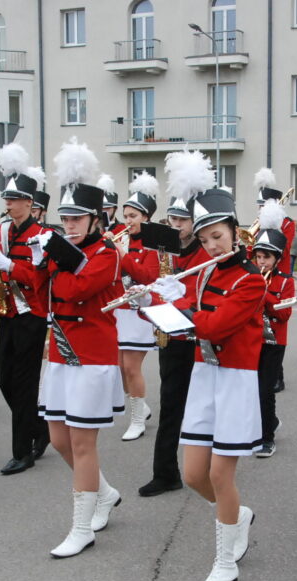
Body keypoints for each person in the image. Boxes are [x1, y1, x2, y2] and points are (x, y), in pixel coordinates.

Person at [151, 187, 264, 581]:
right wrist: (158, 303)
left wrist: (180, 308)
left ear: (234, 230)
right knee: (193, 475)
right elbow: (191, 326)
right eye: (203, 239)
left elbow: (215, 326)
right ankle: (235, 515)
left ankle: (224, 563)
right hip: (205, 375)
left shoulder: (252, 279)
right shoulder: (204, 273)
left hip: (235, 379)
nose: (211, 245)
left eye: (217, 236)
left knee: (220, 474)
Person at [33, 138, 125, 558]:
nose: (69, 225)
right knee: (58, 440)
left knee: (83, 443)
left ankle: (82, 527)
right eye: (65, 218)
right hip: (60, 352)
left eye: (77, 219)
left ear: (95, 219)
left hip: (92, 357)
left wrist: (55, 267)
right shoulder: (59, 251)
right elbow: (43, 301)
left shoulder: (107, 253)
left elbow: (78, 288)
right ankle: (104, 494)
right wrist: (39, 268)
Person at [139, 148, 216, 497]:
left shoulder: (207, 253)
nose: (177, 227)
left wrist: (179, 298)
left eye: (183, 221)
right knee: (170, 405)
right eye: (173, 220)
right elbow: (157, 288)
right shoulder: (168, 251)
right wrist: (146, 303)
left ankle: (213, 468)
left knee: (205, 408)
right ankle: (165, 472)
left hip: (200, 340)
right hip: (171, 338)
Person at [0, 144, 50, 476]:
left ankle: (22, 452)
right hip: (8, 312)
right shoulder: (2, 231)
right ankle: (39, 427)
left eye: (13, 200)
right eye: (6, 200)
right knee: (4, 380)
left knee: (24, 385)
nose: (8, 205)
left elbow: (39, 278)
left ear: (29, 202)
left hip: (32, 316)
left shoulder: (42, 235)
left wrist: (11, 266)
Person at [110, 172, 160, 441]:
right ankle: (143, 407)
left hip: (139, 311)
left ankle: (137, 420)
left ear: (146, 217)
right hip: (119, 309)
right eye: (126, 216)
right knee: (119, 367)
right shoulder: (122, 238)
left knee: (131, 367)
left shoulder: (152, 244)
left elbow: (148, 276)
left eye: (133, 216)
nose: (127, 221)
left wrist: (123, 254)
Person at [252, 216, 294, 458]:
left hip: (274, 342)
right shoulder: (251, 277)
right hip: (252, 339)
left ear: (277, 259)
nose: (261, 262)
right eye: (258, 257)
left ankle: (267, 438)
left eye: (266, 257)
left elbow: (284, 314)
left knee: (265, 391)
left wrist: (263, 292)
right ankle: (271, 422)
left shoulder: (286, 281)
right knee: (252, 389)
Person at [253, 168, 296, 274]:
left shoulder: (288, 223)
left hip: (279, 270)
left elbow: (284, 251)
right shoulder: (259, 223)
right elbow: (251, 251)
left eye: (263, 206)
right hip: (259, 269)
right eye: (260, 206)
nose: (260, 209)